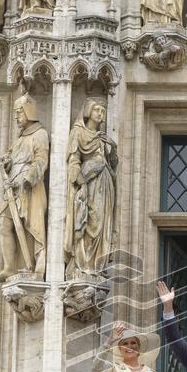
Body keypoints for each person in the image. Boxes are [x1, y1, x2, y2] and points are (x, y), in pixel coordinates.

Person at [0, 94, 49, 282]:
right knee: (4, 224)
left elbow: (41, 160)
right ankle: (9, 267)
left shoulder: (40, 134)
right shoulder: (19, 138)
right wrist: (7, 162)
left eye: (19, 113)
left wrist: (27, 179)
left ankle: (38, 264)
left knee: (31, 225)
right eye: (15, 113)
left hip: (29, 188)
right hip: (12, 187)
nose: (16, 117)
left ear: (28, 112)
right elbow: (11, 157)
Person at [66, 99, 118, 280]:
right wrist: (79, 181)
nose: (100, 114)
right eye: (97, 109)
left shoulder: (101, 137)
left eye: (103, 111)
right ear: (88, 110)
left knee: (103, 224)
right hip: (89, 183)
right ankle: (84, 265)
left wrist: (113, 147)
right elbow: (73, 160)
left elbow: (112, 164)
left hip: (105, 183)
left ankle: (97, 265)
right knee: (90, 221)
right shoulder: (78, 132)